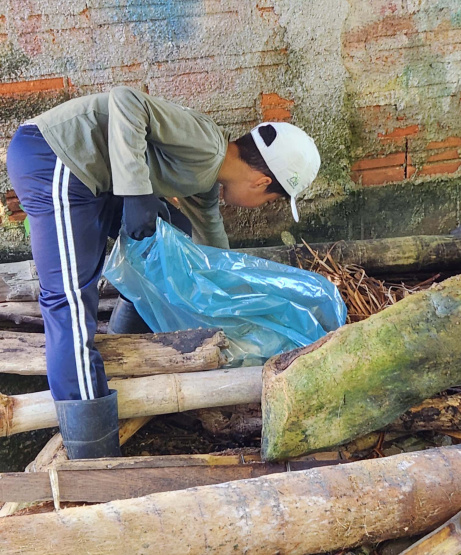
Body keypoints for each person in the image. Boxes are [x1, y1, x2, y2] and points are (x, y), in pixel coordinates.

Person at [5, 86, 320, 459]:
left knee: (174, 232)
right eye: (272, 200)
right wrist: (136, 193)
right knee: (69, 303)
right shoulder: (205, 143)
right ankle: (92, 455)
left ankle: (122, 349)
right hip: (55, 158)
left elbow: (209, 242)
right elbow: (126, 101)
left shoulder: (204, 177)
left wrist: (233, 293)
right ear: (262, 182)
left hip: (92, 179)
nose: (264, 205)